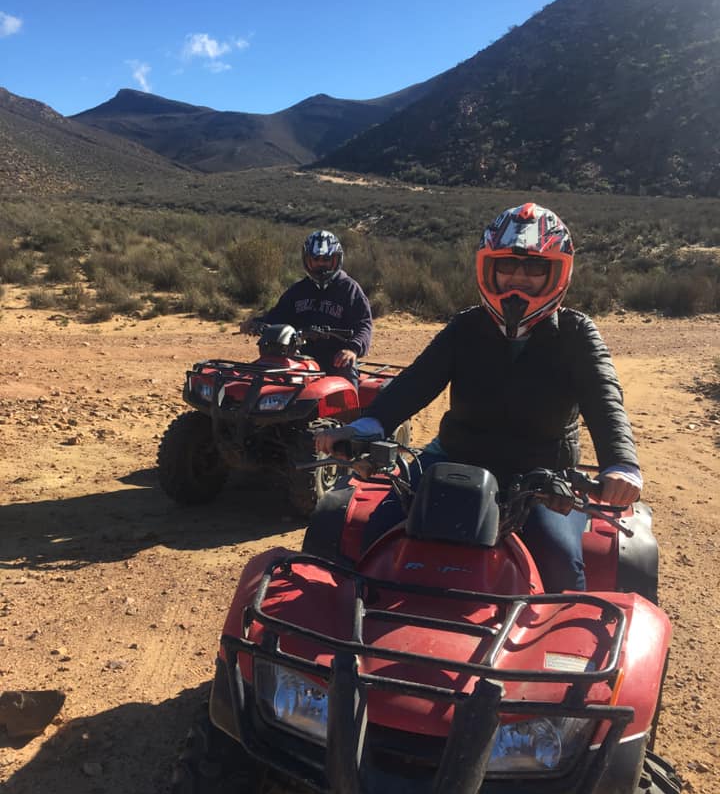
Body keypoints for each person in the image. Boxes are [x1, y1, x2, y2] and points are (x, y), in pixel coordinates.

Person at [315, 202, 642, 593]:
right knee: (382, 531)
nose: (518, 279)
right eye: (507, 266)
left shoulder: (577, 333)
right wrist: (368, 425)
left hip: (542, 473)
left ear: (557, 273)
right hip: (454, 457)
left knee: (557, 558)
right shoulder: (466, 326)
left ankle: (558, 650)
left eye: (534, 269)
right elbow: (416, 381)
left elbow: (605, 397)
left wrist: (620, 464)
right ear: (489, 269)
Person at [241, 229, 372, 385]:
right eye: (315, 259)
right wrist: (255, 323)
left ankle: (353, 410)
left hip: (337, 358)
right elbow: (278, 315)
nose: (320, 264)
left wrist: (353, 349)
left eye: (326, 259)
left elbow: (364, 325)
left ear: (336, 260)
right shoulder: (298, 290)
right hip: (300, 355)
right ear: (307, 261)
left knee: (346, 384)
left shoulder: (349, 289)